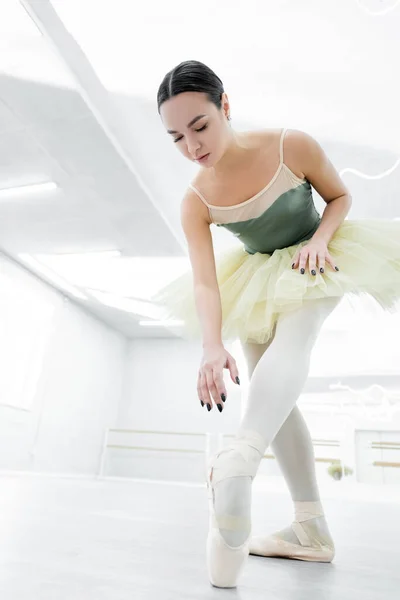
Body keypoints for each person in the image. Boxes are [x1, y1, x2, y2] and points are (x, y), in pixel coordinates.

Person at [152, 60, 400, 588]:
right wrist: (211, 346)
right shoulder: (195, 200)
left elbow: (340, 196)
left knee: (297, 337)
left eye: (200, 126)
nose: (192, 146)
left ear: (225, 107)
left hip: (320, 258)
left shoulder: (292, 146)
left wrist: (318, 240)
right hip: (258, 278)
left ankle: (240, 457)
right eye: (176, 137)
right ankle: (310, 527)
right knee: (274, 398)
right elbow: (204, 283)